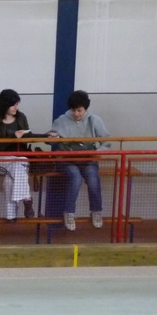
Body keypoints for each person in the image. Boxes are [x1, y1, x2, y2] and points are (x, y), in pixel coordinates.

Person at [50, 90, 111, 231]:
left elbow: (106, 141)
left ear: (85, 109)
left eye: (79, 110)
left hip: (88, 159)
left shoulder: (94, 120)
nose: (76, 114)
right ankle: (69, 213)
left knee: (93, 178)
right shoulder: (61, 120)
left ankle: (96, 211)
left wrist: (97, 153)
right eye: (73, 110)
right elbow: (52, 139)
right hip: (66, 159)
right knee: (75, 177)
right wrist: (51, 138)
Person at [0, 88, 38, 221]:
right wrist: (13, 137)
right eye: (13, 105)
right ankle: (27, 199)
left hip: (21, 157)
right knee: (17, 167)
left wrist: (45, 136)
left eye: (17, 104)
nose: (16, 107)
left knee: (12, 176)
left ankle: (11, 215)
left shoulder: (21, 117)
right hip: (0, 160)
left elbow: (29, 136)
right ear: (5, 105)